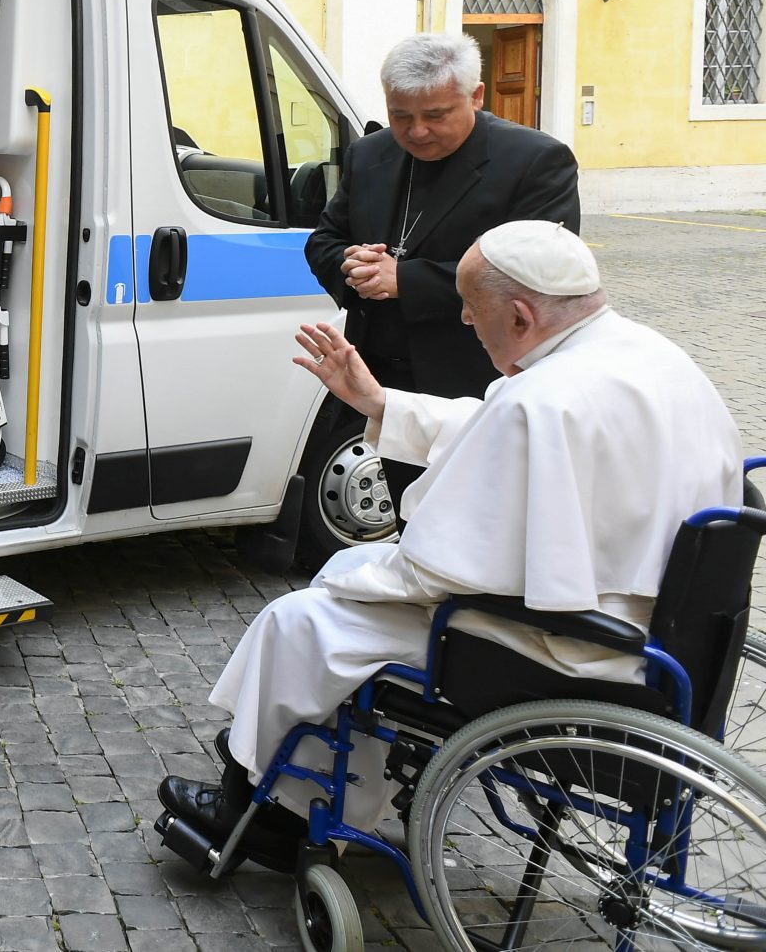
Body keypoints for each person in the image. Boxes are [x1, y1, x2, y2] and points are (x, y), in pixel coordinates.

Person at [160, 222, 743, 868]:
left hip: (564, 647)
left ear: (520, 314)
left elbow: (439, 566)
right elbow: (510, 426)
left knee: (304, 618)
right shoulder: (651, 355)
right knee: (340, 598)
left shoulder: (542, 397)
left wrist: (353, 577)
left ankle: (266, 811)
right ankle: (299, 779)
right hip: (658, 638)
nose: (465, 317)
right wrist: (381, 402)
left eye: (473, 306)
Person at [306, 33, 579, 404]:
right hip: (378, 377)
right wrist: (355, 267)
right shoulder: (369, 154)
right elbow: (324, 240)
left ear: (476, 96)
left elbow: (541, 273)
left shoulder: (535, 161)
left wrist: (405, 279)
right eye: (400, 115)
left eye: (436, 115)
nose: (416, 131)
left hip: (477, 381)